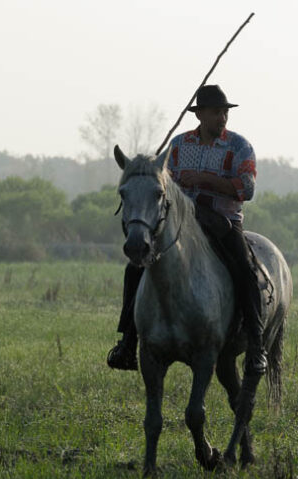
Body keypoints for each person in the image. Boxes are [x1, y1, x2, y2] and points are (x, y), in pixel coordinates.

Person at [107, 84, 266, 385]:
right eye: (216, 113)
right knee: (136, 268)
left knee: (245, 268)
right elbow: (161, 187)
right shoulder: (177, 147)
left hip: (224, 221)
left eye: (225, 113)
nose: (222, 119)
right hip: (182, 222)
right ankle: (128, 343)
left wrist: (206, 180)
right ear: (200, 114)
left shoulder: (239, 147)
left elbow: (247, 189)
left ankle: (256, 344)